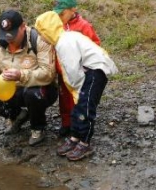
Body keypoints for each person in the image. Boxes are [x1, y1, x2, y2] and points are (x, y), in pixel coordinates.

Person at [34, 11, 118, 161]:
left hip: (96, 71)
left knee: (84, 108)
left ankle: (85, 143)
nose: (40, 37)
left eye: (41, 33)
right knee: (77, 107)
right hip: (88, 71)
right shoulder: (63, 38)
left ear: (49, 31)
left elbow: (72, 71)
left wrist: (77, 92)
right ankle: (74, 137)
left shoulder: (64, 42)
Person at [0, 10, 58, 146]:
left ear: (23, 26)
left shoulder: (39, 39)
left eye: (12, 34)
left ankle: (38, 128)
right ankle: (17, 115)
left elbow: (48, 74)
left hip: (40, 89)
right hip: (11, 90)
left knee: (32, 94)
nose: (8, 39)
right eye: (4, 35)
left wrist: (21, 75)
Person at [53, 0, 101, 137]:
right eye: (58, 13)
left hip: (79, 72)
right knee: (64, 99)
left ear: (73, 10)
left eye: (62, 13)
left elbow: (95, 45)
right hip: (63, 71)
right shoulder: (57, 25)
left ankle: (79, 125)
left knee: (78, 99)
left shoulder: (84, 26)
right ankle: (66, 123)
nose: (60, 16)